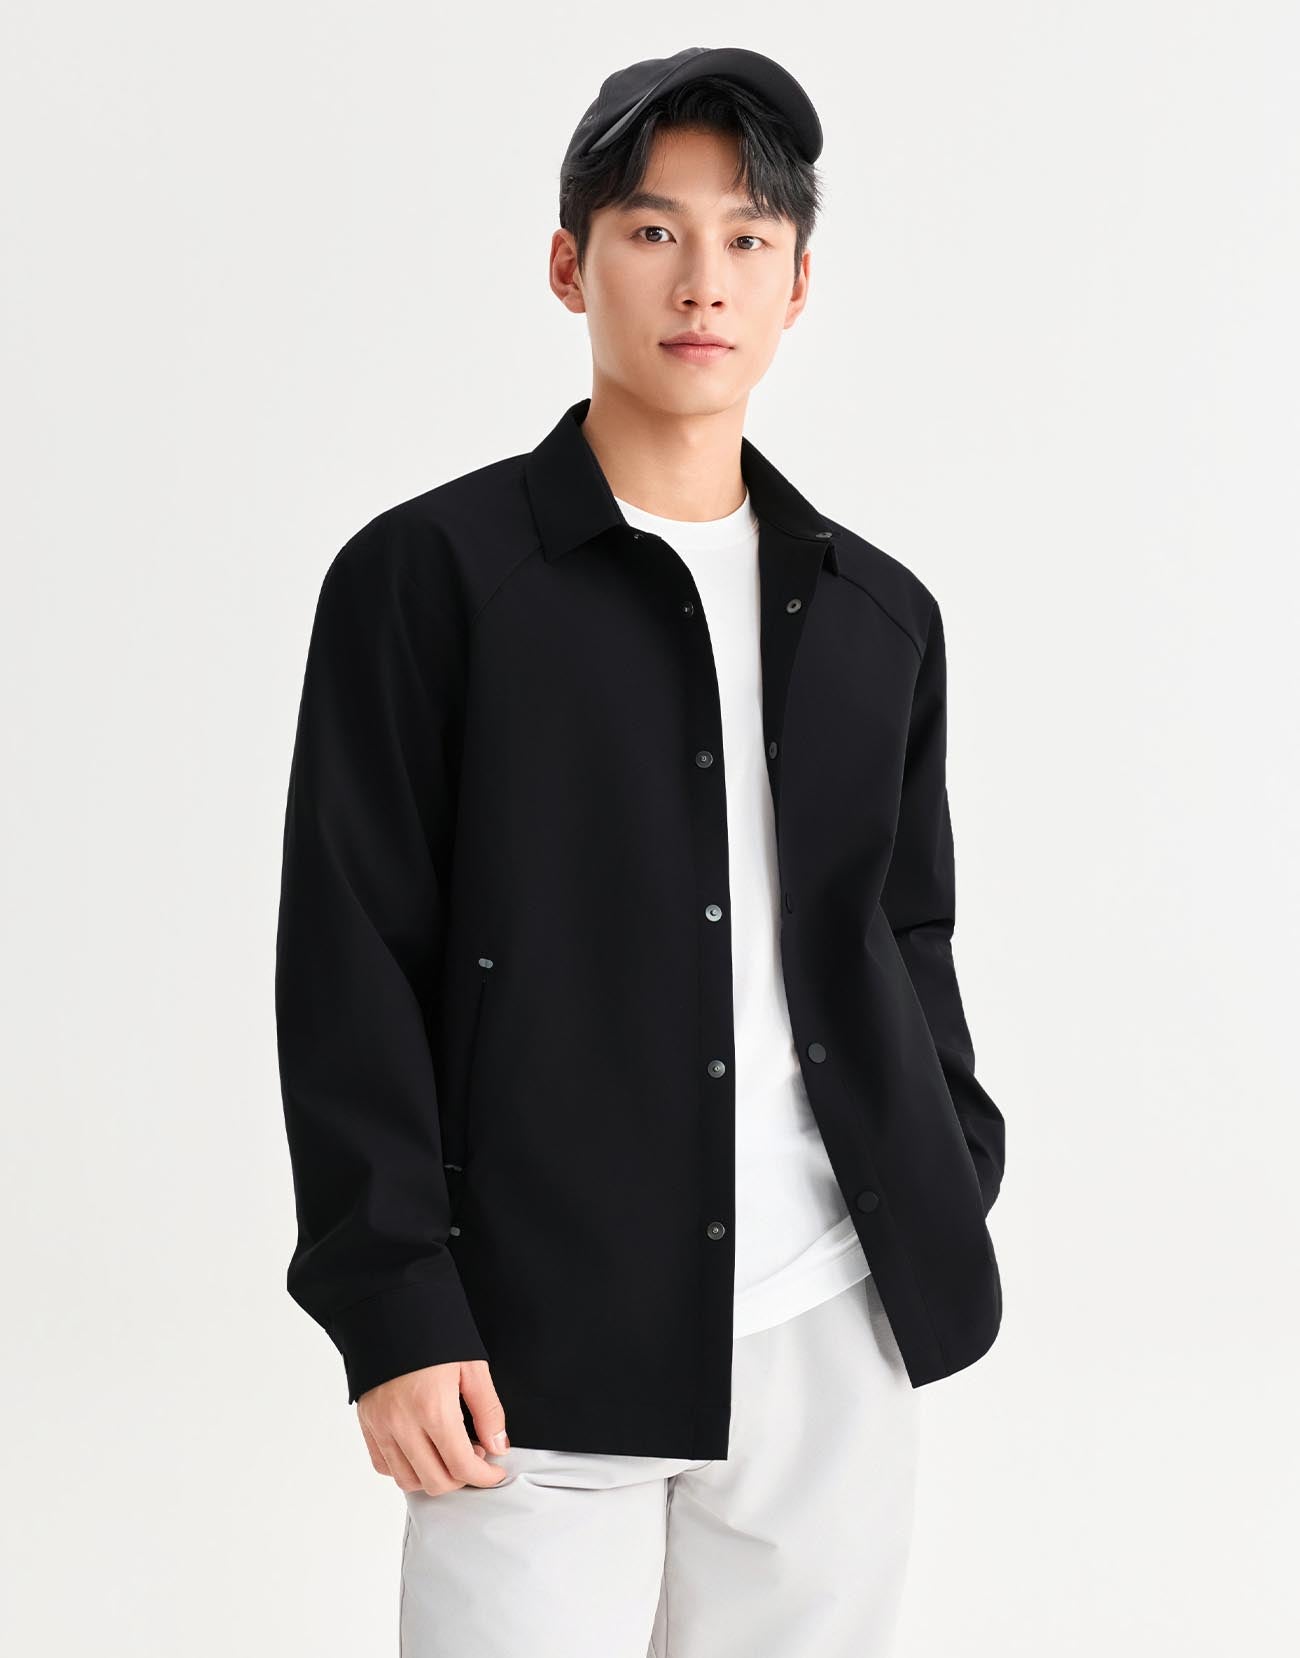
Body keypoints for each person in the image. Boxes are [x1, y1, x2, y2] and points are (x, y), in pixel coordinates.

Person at [274, 45, 1006, 1658]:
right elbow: (351, 954)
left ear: (799, 285)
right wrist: (392, 1302)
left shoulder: (878, 613)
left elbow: (906, 929)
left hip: (831, 1318)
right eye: (654, 230)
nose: (703, 280)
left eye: (748, 238)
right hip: (528, 1330)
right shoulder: (431, 579)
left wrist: (946, 1163)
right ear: (570, 262)